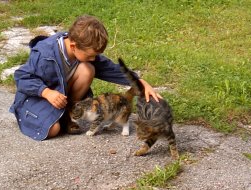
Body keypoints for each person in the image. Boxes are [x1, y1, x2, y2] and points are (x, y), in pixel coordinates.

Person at [9, 15, 162, 141]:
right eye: (91, 55)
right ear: (74, 45)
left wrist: (140, 82)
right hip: (36, 96)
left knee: (87, 69)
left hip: (58, 95)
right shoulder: (44, 54)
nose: (93, 58)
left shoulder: (84, 51)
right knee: (53, 130)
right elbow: (22, 77)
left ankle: (67, 114)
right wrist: (46, 92)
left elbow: (111, 69)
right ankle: (41, 116)